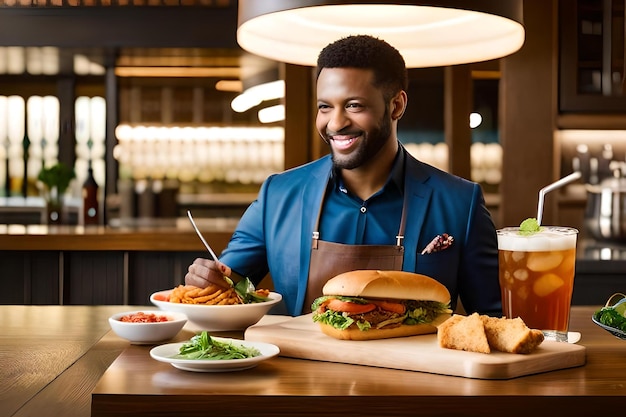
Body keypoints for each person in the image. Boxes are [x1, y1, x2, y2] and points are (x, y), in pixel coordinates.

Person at [186, 35, 502, 317]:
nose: (335, 123)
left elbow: (496, 321)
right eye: (325, 107)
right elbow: (229, 288)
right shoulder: (278, 194)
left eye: (353, 105)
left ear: (396, 106)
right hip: (301, 379)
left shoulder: (461, 202)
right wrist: (210, 280)